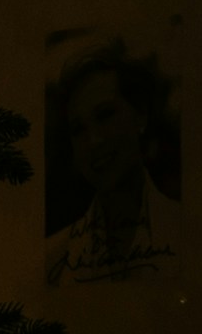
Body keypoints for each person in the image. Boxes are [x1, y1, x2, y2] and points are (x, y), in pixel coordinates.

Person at [43, 37, 183, 281]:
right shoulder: (53, 259)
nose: (94, 140)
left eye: (105, 115)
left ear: (140, 115)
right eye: (78, 129)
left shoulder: (186, 232)